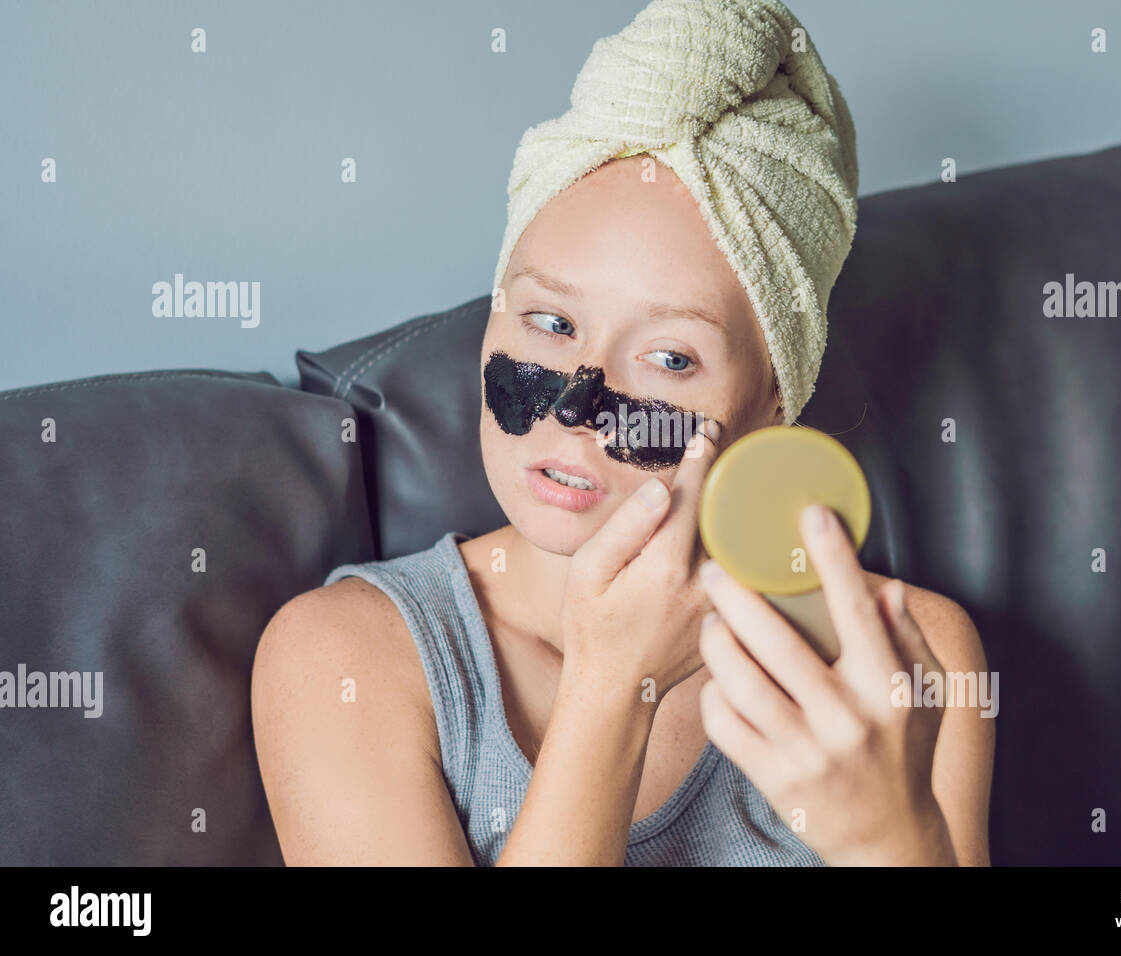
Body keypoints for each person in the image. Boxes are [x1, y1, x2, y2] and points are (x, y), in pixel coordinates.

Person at [251, 0, 994, 866]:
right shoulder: (343, 662)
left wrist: (888, 832)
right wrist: (612, 692)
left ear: (771, 410)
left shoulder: (906, 661)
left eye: (671, 358)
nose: (574, 406)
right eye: (552, 323)